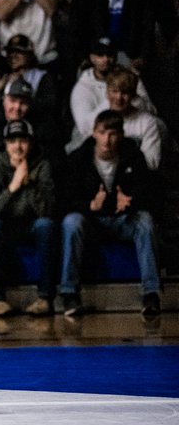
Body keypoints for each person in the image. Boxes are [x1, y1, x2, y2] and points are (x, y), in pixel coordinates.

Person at [60, 110, 161, 319]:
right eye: (102, 133)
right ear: (94, 133)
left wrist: (132, 202)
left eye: (113, 134)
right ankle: (69, 293)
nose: (107, 139)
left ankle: (151, 294)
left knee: (145, 221)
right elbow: (65, 199)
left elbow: (150, 193)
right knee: (71, 222)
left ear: (121, 135)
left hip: (123, 219)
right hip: (92, 222)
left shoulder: (133, 155)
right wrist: (89, 205)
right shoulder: (79, 158)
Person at [0, 120, 57, 317]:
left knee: (46, 225)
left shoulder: (42, 165)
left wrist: (28, 183)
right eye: (12, 141)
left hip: (32, 224)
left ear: (30, 143)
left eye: (23, 140)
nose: (17, 146)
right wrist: (13, 187)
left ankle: (45, 297)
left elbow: (47, 210)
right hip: (6, 225)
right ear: (5, 145)